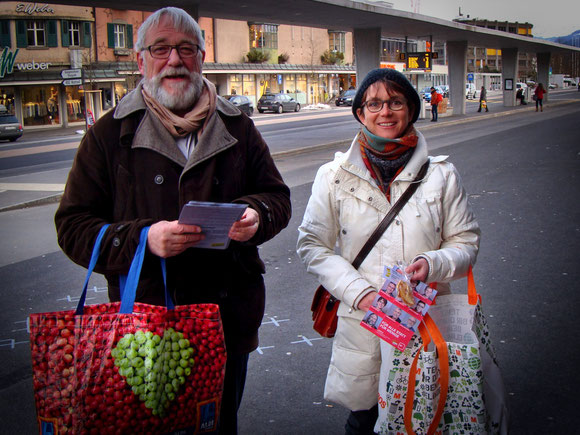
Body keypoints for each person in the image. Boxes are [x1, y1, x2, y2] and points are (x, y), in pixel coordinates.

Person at [54, 7, 291, 434]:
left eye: (186, 49)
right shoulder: (109, 135)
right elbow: (73, 228)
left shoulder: (239, 127)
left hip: (225, 322)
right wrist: (143, 239)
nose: (174, 60)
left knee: (218, 424)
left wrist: (257, 216)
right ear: (141, 60)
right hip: (142, 328)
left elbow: (277, 198)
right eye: (160, 49)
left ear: (202, 58)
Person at [296, 67, 480, 435]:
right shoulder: (333, 175)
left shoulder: (441, 175)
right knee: (364, 417)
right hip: (364, 322)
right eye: (374, 103)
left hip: (426, 319)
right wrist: (359, 293)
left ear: (411, 109)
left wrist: (434, 262)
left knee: (423, 411)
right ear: (360, 112)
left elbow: (466, 243)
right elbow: (312, 245)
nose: (385, 112)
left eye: (395, 102)